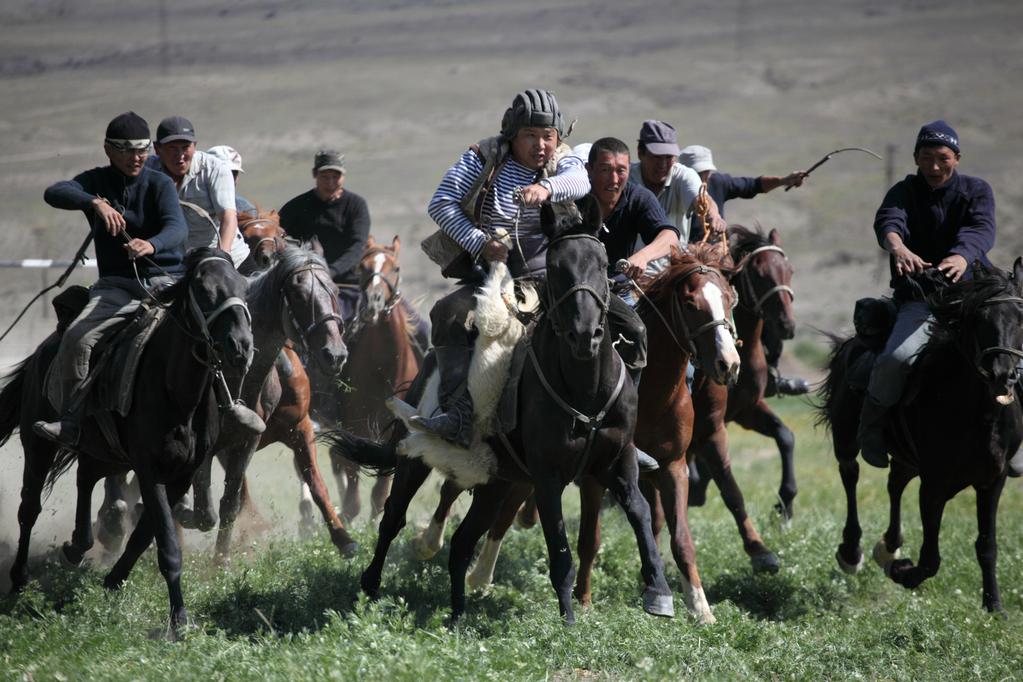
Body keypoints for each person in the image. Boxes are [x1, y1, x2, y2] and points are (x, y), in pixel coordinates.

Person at [32, 112, 188, 446]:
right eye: (128, 150)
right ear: (108, 150)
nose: (137, 158)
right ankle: (71, 422)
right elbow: (55, 192)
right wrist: (93, 203)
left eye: (143, 150)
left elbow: (178, 228)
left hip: (167, 282)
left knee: (215, 325)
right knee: (76, 338)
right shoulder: (96, 181)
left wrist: (152, 244)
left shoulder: (159, 183)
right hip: (117, 286)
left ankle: (232, 404)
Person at [859, 120, 997, 468]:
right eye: (926, 158)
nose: (934, 167)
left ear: (957, 158)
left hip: (973, 294)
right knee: (896, 358)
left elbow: (982, 228)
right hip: (923, 297)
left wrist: (962, 255)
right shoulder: (904, 191)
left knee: (1012, 351)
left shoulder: (977, 190)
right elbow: (888, 222)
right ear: (916, 159)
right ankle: (871, 428)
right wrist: (898, 247)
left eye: (942, 158)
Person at [679, 143, 810, 396]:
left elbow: (754, 185)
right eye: (697, 173)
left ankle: (770, 372)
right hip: (689, 266)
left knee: (764, 294)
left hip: (723, 266)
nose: (703, 178)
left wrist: (785, 179)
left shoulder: (718, 183)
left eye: (706, 172)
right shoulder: (675, 189)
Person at [145, 116, 250, 270]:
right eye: (172, 148)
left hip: (229, 258)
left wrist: (222, 259)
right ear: (157, 148)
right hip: (178, 265)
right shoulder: (146, 170)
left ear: (195, 146)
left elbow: (228, 216)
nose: (180, 155)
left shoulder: (215, 169)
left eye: (185, 147)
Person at [630, 121, 726, 249]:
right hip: (628, 264)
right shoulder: (625, 178)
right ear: (640, 153)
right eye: (657, 157)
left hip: (673, 266)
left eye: (669, 157)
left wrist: (714, 216)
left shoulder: (684, 175)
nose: (663, 164)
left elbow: (703, 200)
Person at [207, 144, 256, 213]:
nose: (228, 179)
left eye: (234, 174)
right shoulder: (188, 208)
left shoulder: (246, 209)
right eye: (222, 174)